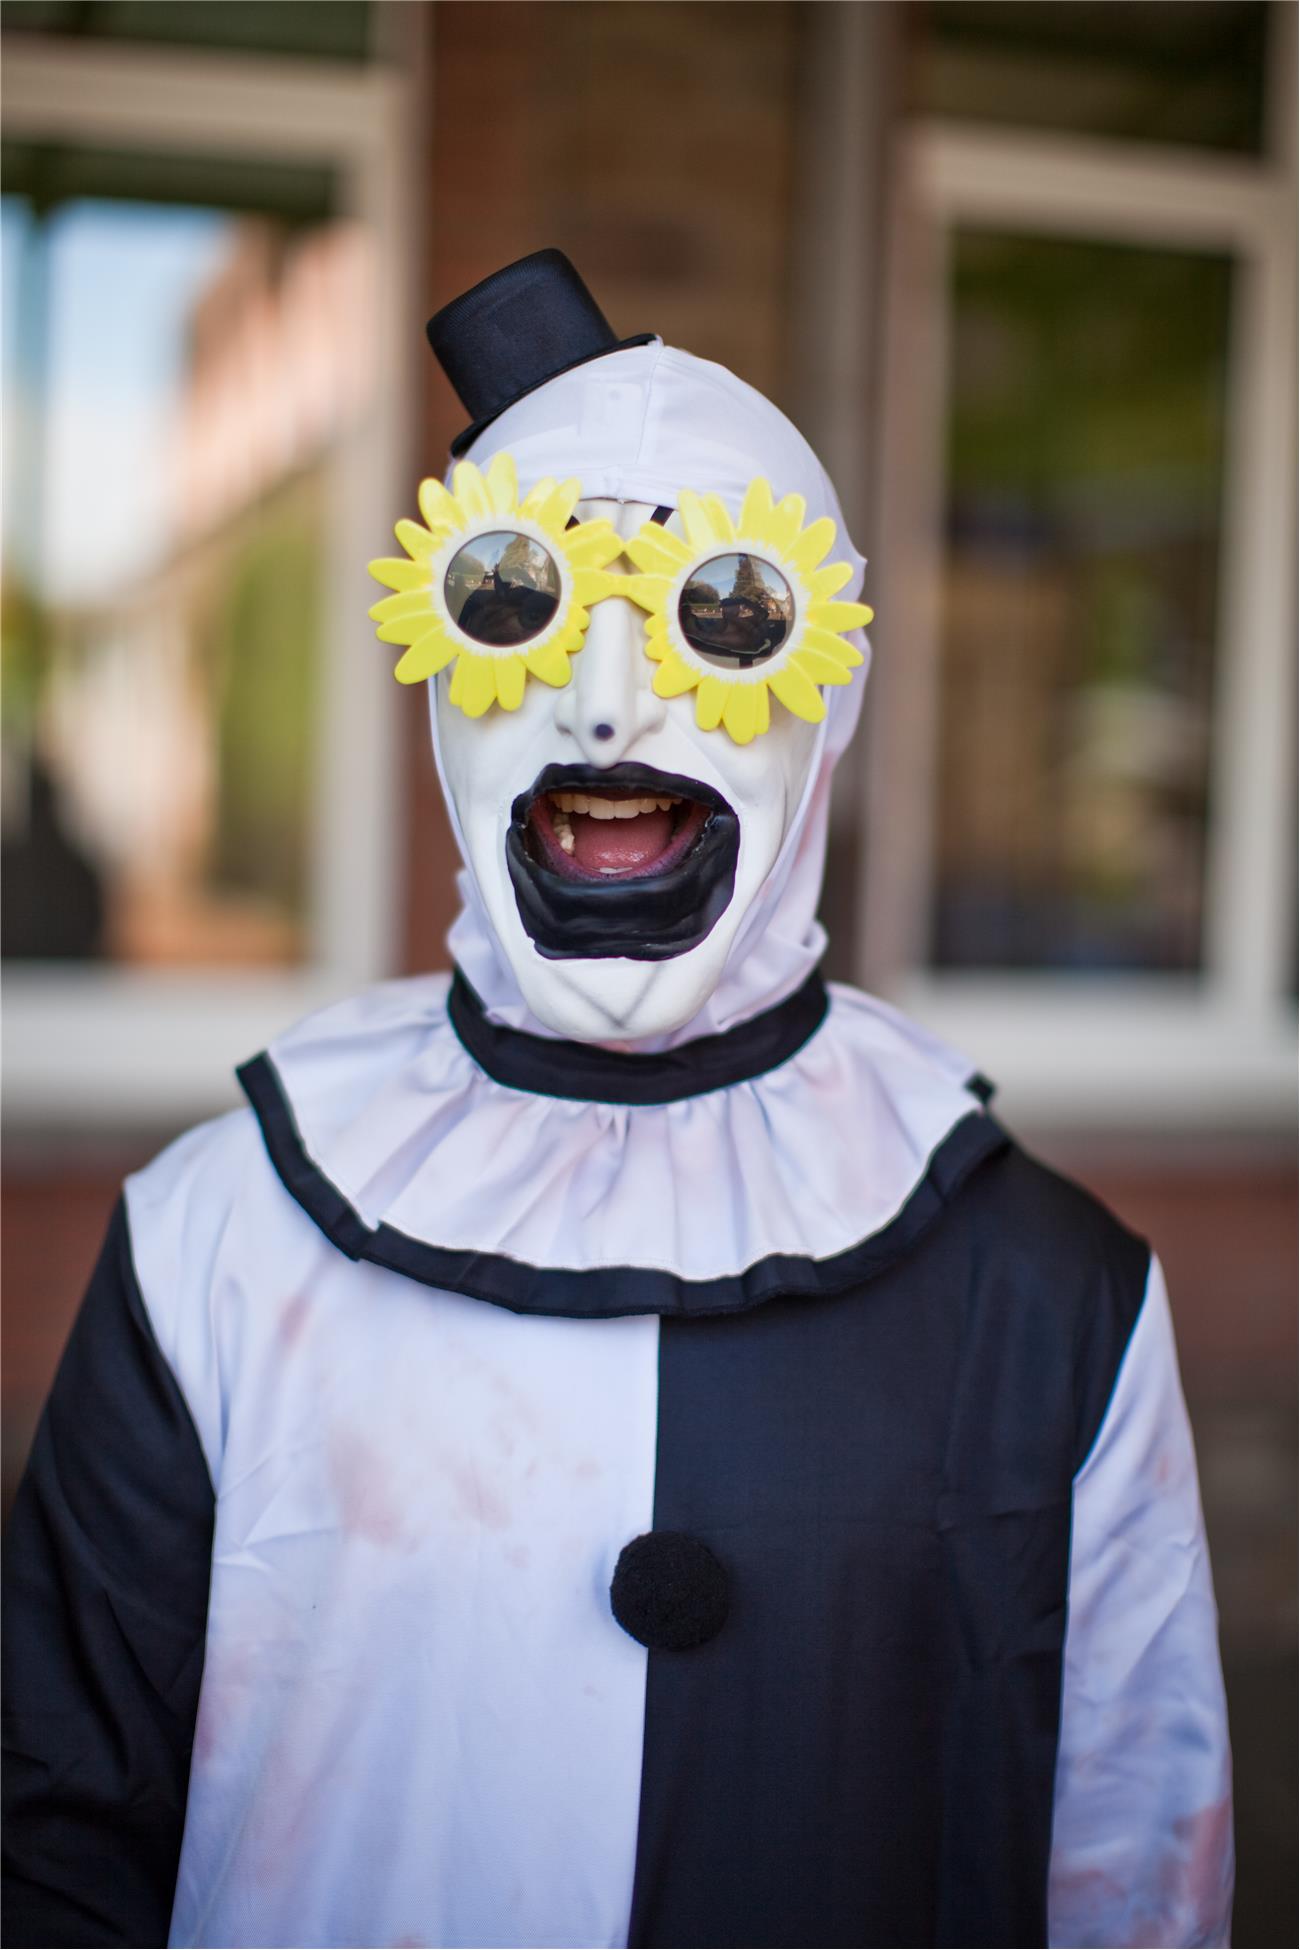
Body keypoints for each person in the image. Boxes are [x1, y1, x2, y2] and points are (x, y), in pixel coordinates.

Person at [2, 250, 1232, 1950]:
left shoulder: (1055, 1299)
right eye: (517, 600)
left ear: (830, 696)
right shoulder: (213, 1242)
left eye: (721, 616)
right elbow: (51, 1847)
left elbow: (1138, 1873)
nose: (603, 702)